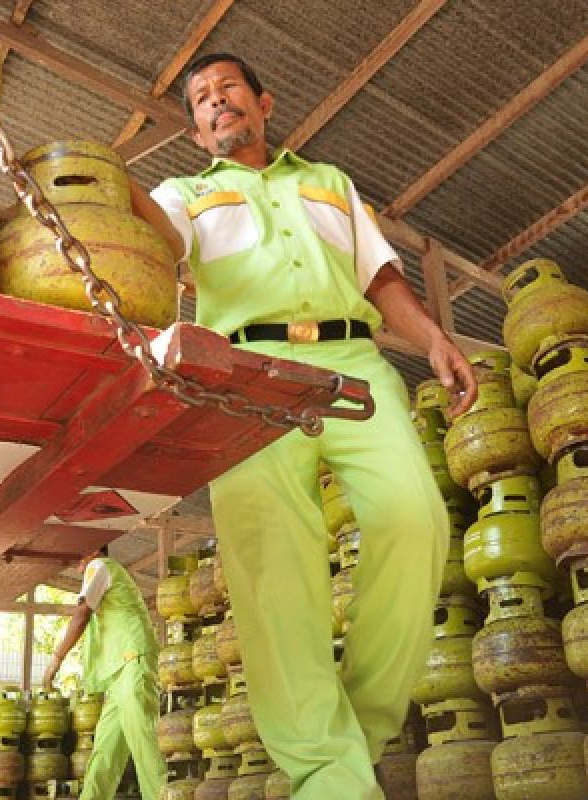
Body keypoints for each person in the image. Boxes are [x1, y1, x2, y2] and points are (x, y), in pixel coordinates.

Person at [127, 53, 479, 799]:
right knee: (274, 573)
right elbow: (153, 236)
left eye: (228, 89)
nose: (216, 102)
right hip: (241, 373)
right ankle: (331, 776)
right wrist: (104, 182)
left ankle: (357, 727)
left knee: (414, 518)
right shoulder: (183, 193)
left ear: (263, 101)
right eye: (200, 99)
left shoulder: (332, 183)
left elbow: (381, 278)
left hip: (354, 360)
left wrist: (435, 340)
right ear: (194, 129)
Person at [41, 546, 165, 800]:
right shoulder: (102, 576)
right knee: (105, 753)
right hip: (118, 674)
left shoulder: (99, 566)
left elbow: (81, 614)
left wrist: (56, 659)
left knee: (144, 744)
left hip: (132, 663)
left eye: (79, 553)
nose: (76, 564)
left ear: (95, 549)